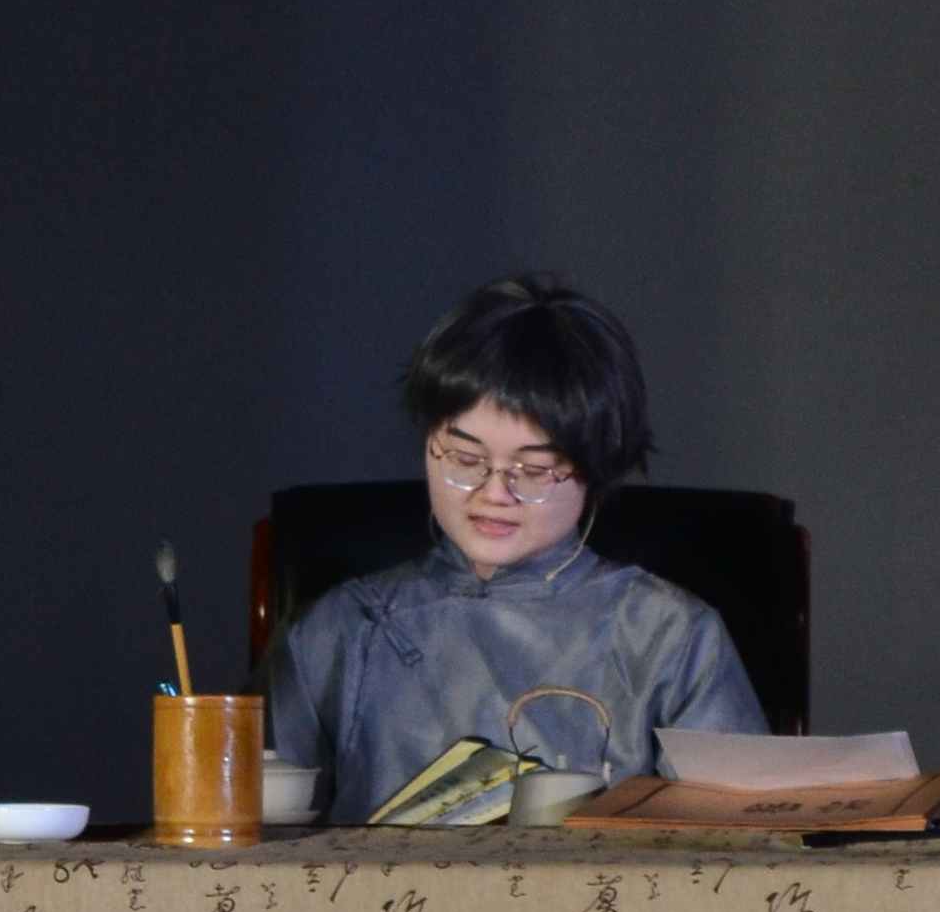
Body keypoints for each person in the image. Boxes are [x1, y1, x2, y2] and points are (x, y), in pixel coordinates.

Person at [257, 275, 764, 821]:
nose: (495, 493)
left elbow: (735, 844)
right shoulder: (335, 633)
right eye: (465, 459)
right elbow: (251, 840)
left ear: (596, 465)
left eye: (535, 469)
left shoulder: (669, 637)